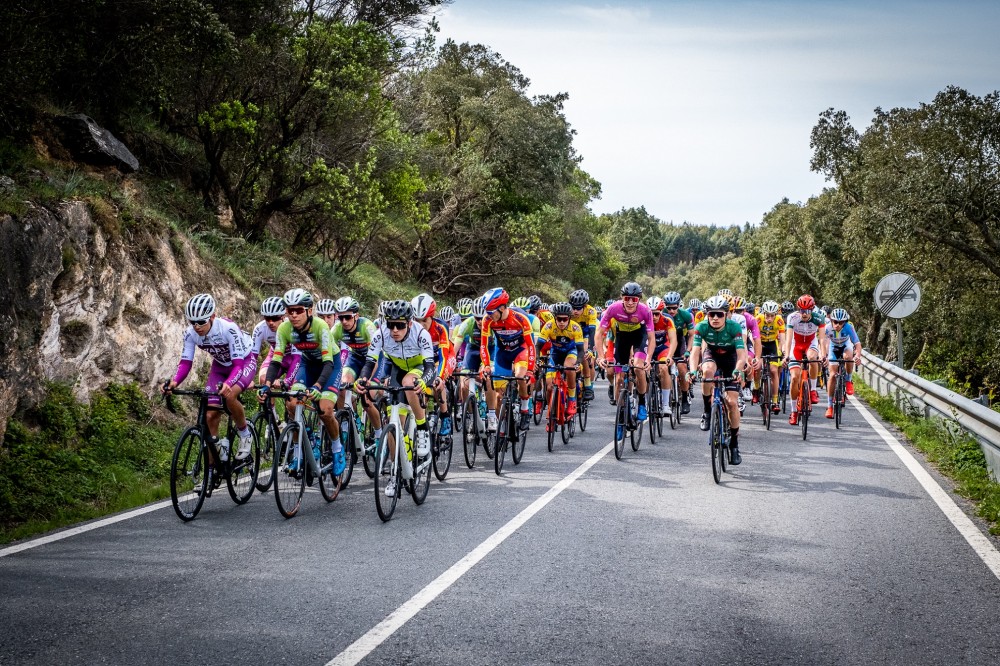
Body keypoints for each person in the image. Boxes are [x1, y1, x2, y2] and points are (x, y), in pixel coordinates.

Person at [354, 300, 437, 497]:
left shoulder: (421, 334)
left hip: (418, 368)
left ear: (409, 323)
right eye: (391, 325)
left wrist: (424, 381)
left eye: (399, 325)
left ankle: (422, 428)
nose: (394, 330)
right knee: (393, 424)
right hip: (397, 368)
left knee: (409, 382)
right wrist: (363, 379)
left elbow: (430, 366)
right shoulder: (381, 333)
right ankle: (395, 472)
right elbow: (370, 362)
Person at [163, 294, 256, 461]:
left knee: (230, 396)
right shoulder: (190, 334)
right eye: (192, 322)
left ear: (213, 316)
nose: (196, 326)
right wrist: (175, 382)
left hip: (243, 362)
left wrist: (228, 383)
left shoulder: (228, 328)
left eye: (201, 322)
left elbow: (238, 365)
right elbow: (186, 362)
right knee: (210, 415)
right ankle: (213, 466)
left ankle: (245, 434)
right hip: (219, 366)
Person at [261, 288, 344, 475]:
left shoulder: (320, 326)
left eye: (298, 310)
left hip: (330, 365)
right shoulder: (284, 329)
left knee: (325, 410)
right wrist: (267, 385)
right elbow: (276, 360)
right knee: (292, 404)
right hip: (307, 364)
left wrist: (318, 386)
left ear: (309, 311)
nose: (294, 315)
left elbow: (328, 362)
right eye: (290, 311)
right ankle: (301, 449)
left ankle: (337, 449)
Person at [688, 295, 748, 465]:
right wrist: (692, 371)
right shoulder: (701, 326)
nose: (715, 318)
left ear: (726, 315)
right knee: (707, 371)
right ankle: (707, 411)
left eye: (719, 314)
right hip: (712, 354)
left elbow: (741, 355)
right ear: (707, 314)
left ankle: (734, 444)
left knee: (732, 403)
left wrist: (738, 369)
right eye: (711, 314)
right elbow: (695, 352)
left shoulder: (734, 327)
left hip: (731, 359)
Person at [595, 282, 656, 437]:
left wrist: (648, 359)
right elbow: (599, 334)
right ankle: (621, 415)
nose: (629, 302)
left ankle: (642, 403)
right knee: (619, 377)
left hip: (639, 337)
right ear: (621, 298)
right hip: (622, 338)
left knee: (638, 367)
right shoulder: (613, 308)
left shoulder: (645, 311)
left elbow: (651, 338)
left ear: (639, 300)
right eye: (626, 298)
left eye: (634, 299)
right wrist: (600, 357)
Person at [480, 287, 536, 432]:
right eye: (487, 312)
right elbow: (483, 345)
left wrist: (530, 370)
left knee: (520, 376)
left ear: (502, 307)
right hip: (503, 352)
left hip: (520, 351)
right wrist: (486, 365)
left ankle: (525, 409)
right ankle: (502, 428)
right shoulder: (487, 320)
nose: (488, 315)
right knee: (499, 396)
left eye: (491, 312)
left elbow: (531, 345)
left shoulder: (520, 318)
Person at [783, 294, 828, 426]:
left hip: (810, 343)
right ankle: (793, 411)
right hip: (796, 345)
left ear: (812, 310)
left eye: (807, 311)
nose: (804, 314)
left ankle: (813, 389)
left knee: (813, 358)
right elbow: (788, 339)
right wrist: (786, 355)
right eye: (802, 310)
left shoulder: (819, 318)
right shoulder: (792, 317)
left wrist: (823, 355)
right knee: (794, 378)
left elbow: (822, 339)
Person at [536, 302, 584, 417]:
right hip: (555, 353)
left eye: (565, 319)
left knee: (569, 368)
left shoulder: (575, 327)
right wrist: (537, 359)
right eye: (559, 319)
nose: (562, 322)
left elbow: (581, 350)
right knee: (549, 387)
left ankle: (572, 399)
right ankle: (551, 409)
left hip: (571, 351)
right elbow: (538, 346)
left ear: (569, 318)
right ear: (554, 318)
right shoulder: (549, 326)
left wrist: (578, 363)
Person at [825, 308, 862, 417]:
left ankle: (848, 380)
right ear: (831, 320)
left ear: (845, 322)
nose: (838, 325)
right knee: (832, 375)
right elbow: (824, 343)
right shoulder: (827, 328)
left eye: (841, 323)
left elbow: (857, 343)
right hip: (833, 347)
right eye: (835, 322)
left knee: (848, 357)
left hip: (845, 345)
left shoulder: (849, 327)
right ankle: (830, 406)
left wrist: (857, 355)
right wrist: (825, 356)